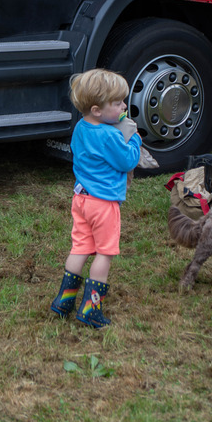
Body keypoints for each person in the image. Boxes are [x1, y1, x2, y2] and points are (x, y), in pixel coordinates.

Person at [50, 69, 142, 328]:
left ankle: (64, 301)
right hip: (103, 204)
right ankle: (91, 309)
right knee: (104, 253)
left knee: (79, 247)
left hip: (81, 199)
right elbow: (127, 161)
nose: (124, 107)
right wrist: (135, 140)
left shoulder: (80, 127)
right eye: (118, 103)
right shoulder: (110, 135)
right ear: (97, 110)